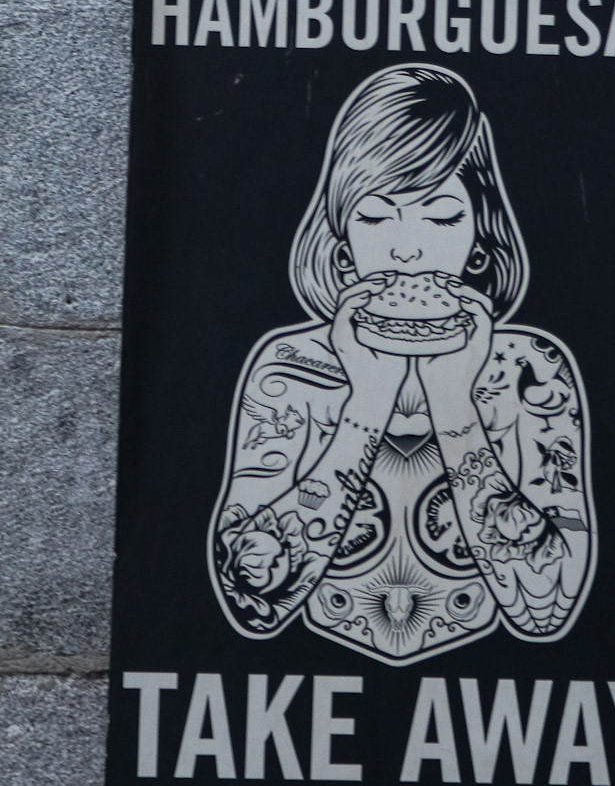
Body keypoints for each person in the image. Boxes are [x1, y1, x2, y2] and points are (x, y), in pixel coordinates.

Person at [210, 64, 594, 663]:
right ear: (340, 241)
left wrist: (454, 399)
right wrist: (366, 401)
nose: (407, 250)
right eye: (374, 215)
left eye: (441, 216)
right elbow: (249, 600)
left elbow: (549, 606)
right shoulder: (290, 366)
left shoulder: (530, 368)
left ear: (480, 238)